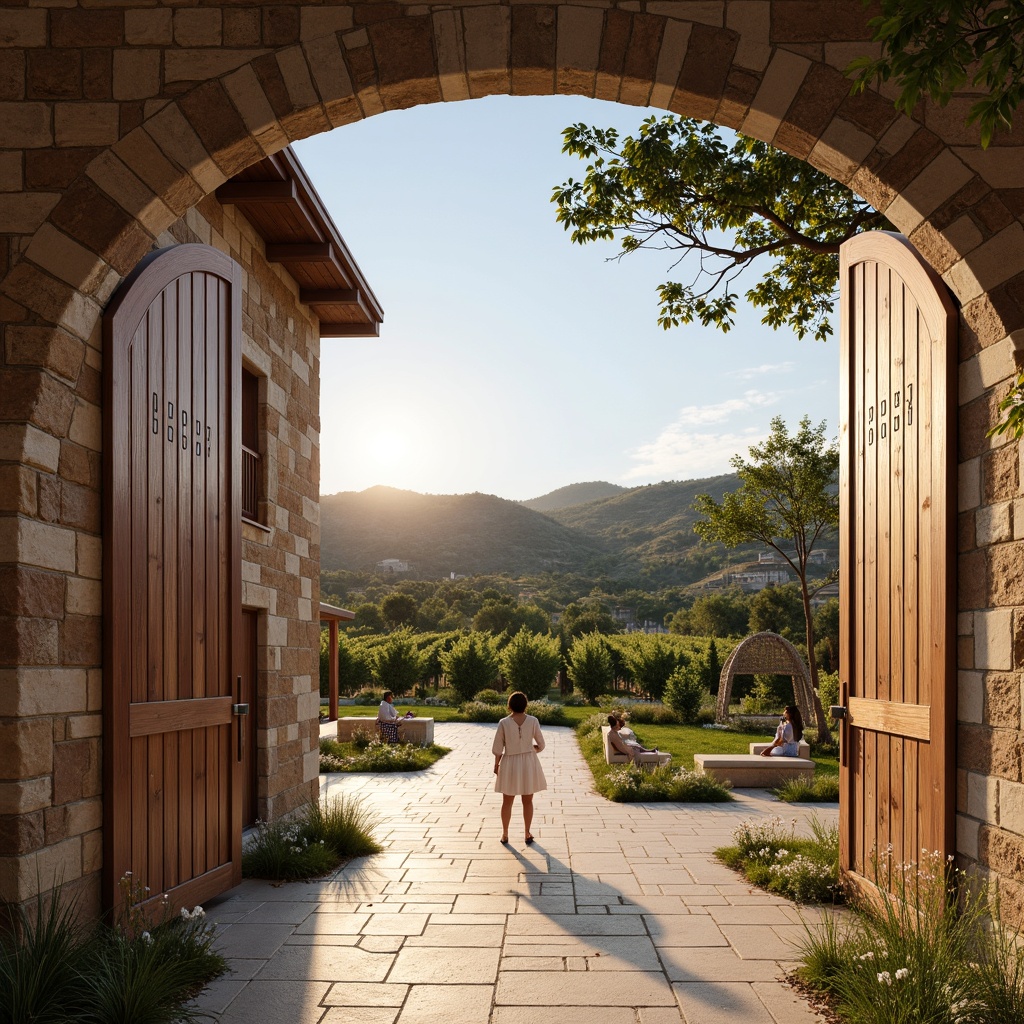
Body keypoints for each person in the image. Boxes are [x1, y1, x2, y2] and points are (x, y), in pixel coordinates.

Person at [492, 691, 546, 845]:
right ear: (525, 705)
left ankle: (505, 834)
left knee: (507, 801)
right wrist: (531, 749)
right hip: (528, 762)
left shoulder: (503, 722)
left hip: (509, 762)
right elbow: (541, 744)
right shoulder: (533, 721)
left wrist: (496, 765)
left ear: (509, 705)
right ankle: (527, 832)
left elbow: (497, 748)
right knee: (527, 800)